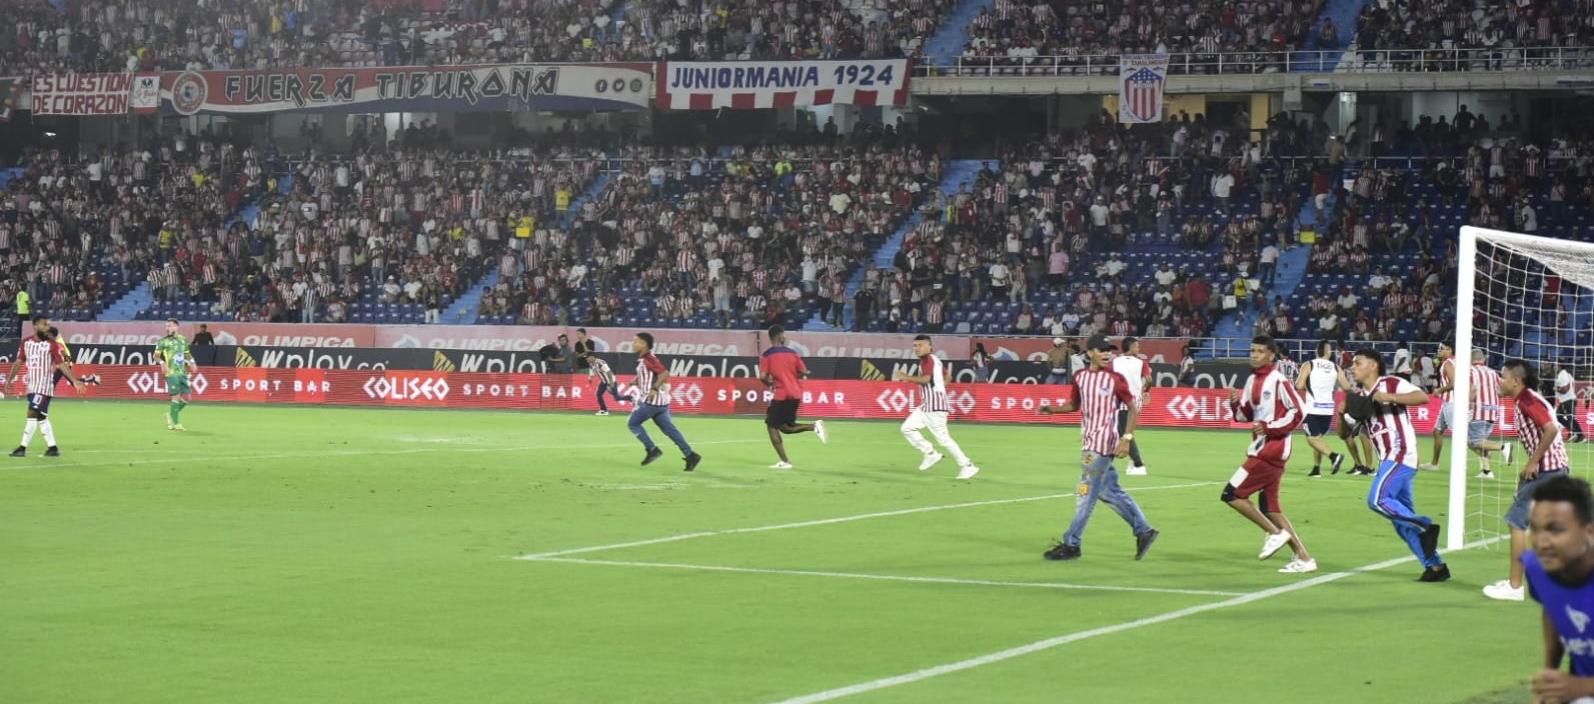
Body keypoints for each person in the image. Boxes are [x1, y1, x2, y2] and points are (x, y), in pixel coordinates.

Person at [1039, 334, 1158, 561]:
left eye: (1109, 351)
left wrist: (1127, 438)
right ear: (1090, 353)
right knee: (1107, 491)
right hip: (1089, 442)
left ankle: (1071, 543)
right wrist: (1053, 410)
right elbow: (1075, 404)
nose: (1107, 354)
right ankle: (1144, 530)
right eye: (1102, 350)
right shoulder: (1080, 377)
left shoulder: (1116, 379)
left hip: (1102, 445)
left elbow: (1133, 409)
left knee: (1085, 493)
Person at [1346, 348, 1448, 582]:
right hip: (1389, 459)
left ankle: (1426, 525)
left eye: (1358, 363)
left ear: (1373, 365)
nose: (1353, 367)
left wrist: (1390, 398)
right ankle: (1436, 567)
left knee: (1378, 500)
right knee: (1400, 520)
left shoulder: (1390, 383)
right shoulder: (1362, 396)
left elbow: (1422, 397)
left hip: (1400, 453)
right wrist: (1342, 411)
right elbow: (1348, 431)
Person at [1227, 336, 1317, 573]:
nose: (1254, 355)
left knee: (1231, 494)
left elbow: (1299, 411)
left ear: (1271, 356)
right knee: (1271, 508)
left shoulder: (1278, 380)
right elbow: (1245, 416)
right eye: (1252, 350)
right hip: (1263, 448)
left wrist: (1269, 428)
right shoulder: (1251, 381)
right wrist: (1235, 405)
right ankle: (1304, 558)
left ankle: (1274, 533)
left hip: (1271, 450)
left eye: (1260, 351)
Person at [1485, 360, 1572, 602]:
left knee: (1516, 521)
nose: (1499, 381)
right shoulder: (1526, 398)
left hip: (1547, 471)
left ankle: (1514, 587)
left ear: (1516, 381)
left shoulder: (1526, 400)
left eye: (1503, 376)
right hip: (1551, 470)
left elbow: (1551, 429)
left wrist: (1533, 462)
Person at [1521, 476, 1594, 702]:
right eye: (1535, 529)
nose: (1542, 542)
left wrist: (1581, 686)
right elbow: (1552, 607)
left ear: (1589, 532)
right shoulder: (1537, 567)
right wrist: (1550, 674)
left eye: (1555, 530)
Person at [893, 334, 979, 479]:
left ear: (930, 346)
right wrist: (938, 389)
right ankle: (930, 453)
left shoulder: (928, 360)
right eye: (915, 346)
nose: (917, 348)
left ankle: (967, 465)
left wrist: (906, 377)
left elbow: (926, 379)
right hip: (928, 405)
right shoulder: (935, 360)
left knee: (944, 439)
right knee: (906, 428)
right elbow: (949, 377)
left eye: (920, 345)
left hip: (934, 407)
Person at [6, 315, 84, 457]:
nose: (47, 327)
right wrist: (10, 380)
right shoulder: (26, 343)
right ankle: (53, 448)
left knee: (32, 413)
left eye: (48, 325)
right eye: (45, 324)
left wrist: (74, 380)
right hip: (32, 386)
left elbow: (61, 364)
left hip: (44, 386)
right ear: (35, 325)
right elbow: (18, 362)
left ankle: (22, 448)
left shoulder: (52, 345)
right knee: (41, 417)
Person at [627, 332, 702, 471]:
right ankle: (691, 455)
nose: (633, 344)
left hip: (652, 402)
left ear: (643, 344)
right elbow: (650, 374)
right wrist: (636, 381)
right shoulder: (647, 358)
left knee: (633, 423)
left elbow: (664, 373)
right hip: (662, 403)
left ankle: (652, 449)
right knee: (670, 430)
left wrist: (654, 388)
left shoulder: (648, 359)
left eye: (636, 341)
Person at [759, 326, 828, 469]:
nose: (785, 337)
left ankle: (785, 461)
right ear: (779, 337)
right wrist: (791, 377)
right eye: (783, 335)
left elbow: (762, 376)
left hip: (781, 394)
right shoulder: (793, 354)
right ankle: (814, 427)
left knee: (772, 427)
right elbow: (804, 371)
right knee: (785, 427)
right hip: (796, 394)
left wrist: (770, 383)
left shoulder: (767, 355)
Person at [1296, 340, 1348, 477]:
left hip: (1312, 408)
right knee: (1318, 438)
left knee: (1311, 438)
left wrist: (1309, 386)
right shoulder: (1336, 367)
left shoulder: (1310, 364)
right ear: (1328, 352)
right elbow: (1347, 387)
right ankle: (1316, 469)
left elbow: (1299, 385)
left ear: (1316, 351)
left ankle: (1334, 456)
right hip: (1328, 410)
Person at [1111, 336, 1151, 475]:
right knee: (1126, 431)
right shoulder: (1141, 363)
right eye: (1137, 346)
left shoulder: (1114, 362)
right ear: (1131, 347)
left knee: (1124, 432)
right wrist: (1146, 391)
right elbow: (1149, 380)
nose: (1139, 348)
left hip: (1122, 400)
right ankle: (1135, 462)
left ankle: (1138, 464)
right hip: (1137, 400)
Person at [1467, 349, 1510, 479]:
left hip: (1478, 410)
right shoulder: (1492, 372)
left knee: (1475, 442)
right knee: (1481, 442)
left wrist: (1468, 405)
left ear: (1470, 359)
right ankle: (1487, 471)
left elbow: (1473, 389)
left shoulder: (1469, 371)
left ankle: (1503, 447)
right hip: (1492, 411)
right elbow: (1502, 389)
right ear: (1483, 359)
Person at [154, 318, 196, 431]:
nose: (168, 328)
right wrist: (162, 363)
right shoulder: (163, 341)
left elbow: (187, 354)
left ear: (177, 326)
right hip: (171, 372)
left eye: (170, 325)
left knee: (187, 397)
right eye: (167, 326)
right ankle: (175, 423)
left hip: (182, 372)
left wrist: (192, 362)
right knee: (176, 396)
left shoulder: (183, 339)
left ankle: (170, 415)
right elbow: (156, 356)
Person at [1421, 341, 1456, 472]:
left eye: (1442, 349)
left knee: (1462, 437)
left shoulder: (1448, 363)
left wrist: (1439, 390)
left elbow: (1454, 383)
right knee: (1437, 431)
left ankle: (1497, 448)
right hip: (1449, 402)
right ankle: (1434, 464)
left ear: (1450, 349)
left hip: (1452, 402)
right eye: (1439, 349)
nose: (1439, 351)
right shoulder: (1454, 362)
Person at [1556, 363, 1587, 443]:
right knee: (1558, 416)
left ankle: (1581, 435)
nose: (1554, 367)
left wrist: (1556, 389)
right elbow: (1574, 385)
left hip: (1567, 400)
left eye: (1555, 366)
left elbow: (1565, 389)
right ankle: (1573, 432)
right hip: (1568, 399)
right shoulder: (1568, 375)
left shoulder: (1562, 375)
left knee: (1570, 418)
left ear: (1559, 366)